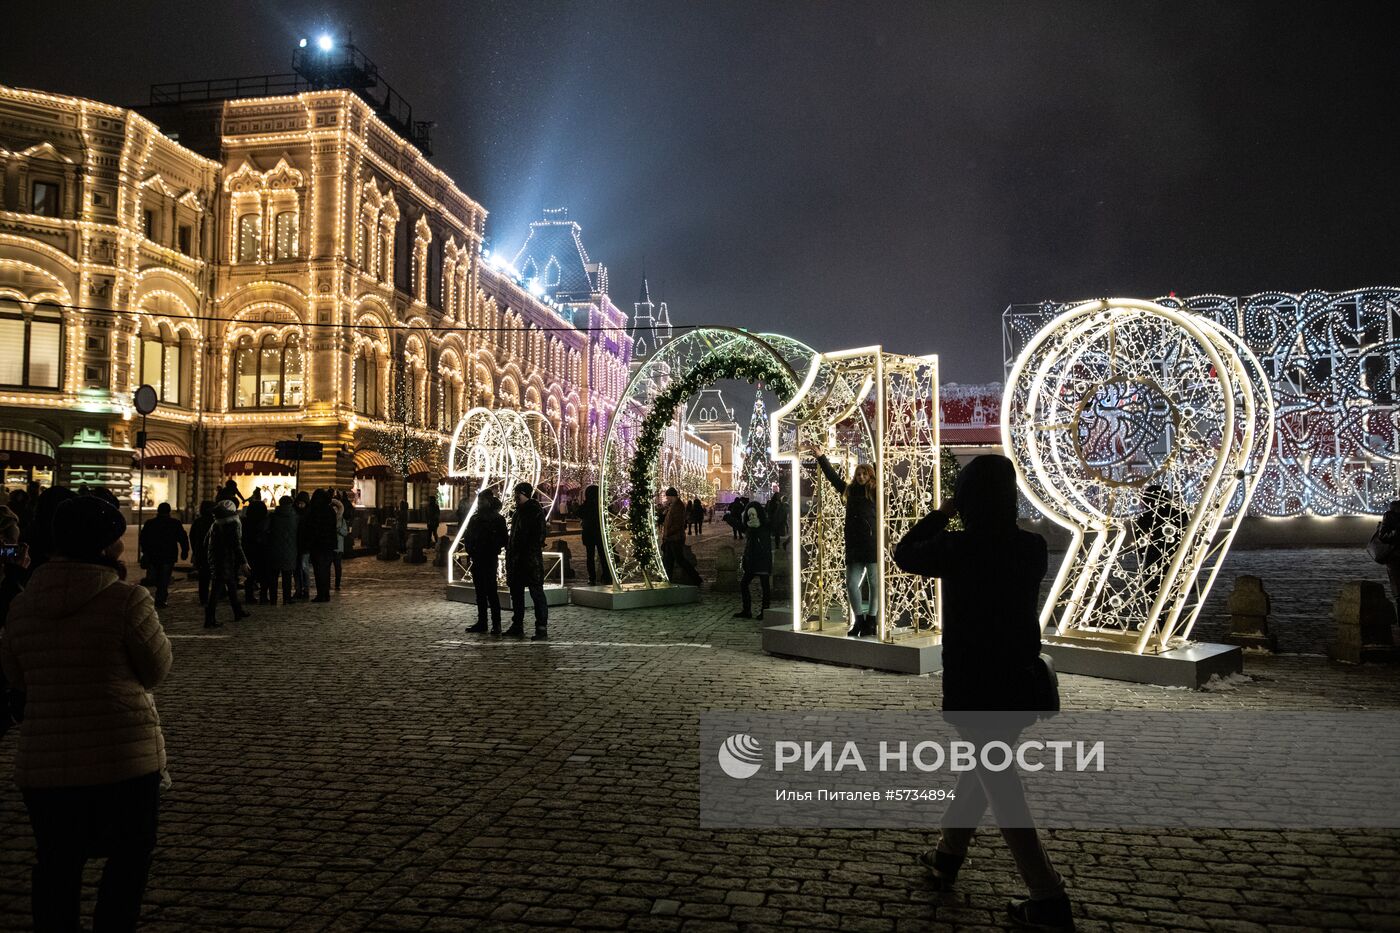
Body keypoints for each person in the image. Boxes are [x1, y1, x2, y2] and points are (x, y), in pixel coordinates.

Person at [893, 454, 1072, 931]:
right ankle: (947, 855)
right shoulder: (1031, 548)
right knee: (985, 771)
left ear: (969, 498)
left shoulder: (959, 548)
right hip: (1017, 681)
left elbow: (904, 552)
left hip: (975, 683)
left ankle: (1047, 895)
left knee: (1001, 786)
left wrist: (944, 511)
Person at [0, 495, 172, 932]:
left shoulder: (21, 605)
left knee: (56, 865)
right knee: (128, 864)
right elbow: (156, 669)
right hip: (123, 758)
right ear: (106, 545)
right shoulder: (127, 600)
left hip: (45, 763)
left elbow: (15, 677)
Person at [809, 445, 880, 637]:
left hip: (872, 543)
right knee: (850, 583)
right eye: (859, 474)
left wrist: (877, 456)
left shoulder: (876, 491)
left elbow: (883, 475)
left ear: (871, 475)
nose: (861, 477)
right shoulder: (849, 490)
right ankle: (859, 620)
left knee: (875, 583)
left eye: (865, 474)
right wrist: (821, 457)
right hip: (855, 545)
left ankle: (872, 620)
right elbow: (832, 478)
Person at [505, 482, 549, 640]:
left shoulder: (534, 511)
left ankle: (541, 627)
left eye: (518, 494)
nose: (516, 497)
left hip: (530, 561)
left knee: (536, 593)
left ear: (526, 494)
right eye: (515, 494)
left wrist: (525, 547)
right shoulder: (518, 512)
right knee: (516, 594)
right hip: (517, 560)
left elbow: (539, 536)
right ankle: (517, 625)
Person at [464, 491, 509, 634]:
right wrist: (471, 550)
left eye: (482, 501)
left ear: (489, 502)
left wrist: (492, 546)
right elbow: (468, 536)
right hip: (477, 558)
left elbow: (504, 539)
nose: (479, 504)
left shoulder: (497, 519)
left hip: (489, 558)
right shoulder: (475, 519)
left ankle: (496, 624)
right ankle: (482, 622)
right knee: (480, 592)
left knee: (491, 591)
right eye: (478, 502)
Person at [205, 500, 250, 628]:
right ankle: (209, 619)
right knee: (216, 591)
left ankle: (238, 611)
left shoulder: (216, 523)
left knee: (231, 587)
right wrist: (244, 562)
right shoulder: (231, 523)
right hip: (224, 560)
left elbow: (205, 542)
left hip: (218, 559)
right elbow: (236, 545)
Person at [137, 503, 189, 609]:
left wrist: (145, 551)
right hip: (168, 556)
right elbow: (182, 538)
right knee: (164, 578)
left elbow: (143, 539)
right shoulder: (174, 523)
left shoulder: (150, 523)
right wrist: (185, 551)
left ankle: (156, 598)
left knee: (156, 577)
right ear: (169, 511)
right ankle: (161, 599)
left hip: (154, 555)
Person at [734, 495, 773, 620]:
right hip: (752, 561)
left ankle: (765, 611)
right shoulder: (750, 528)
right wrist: (730, 519)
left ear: (758, 514)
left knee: (765, 586)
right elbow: (742, 528)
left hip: (762, 560)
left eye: (753, 515)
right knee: (744, 584)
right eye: (749, 515)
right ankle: (747, 610)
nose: (751, 518)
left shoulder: (764, 527)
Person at [264, 496, 299, 605]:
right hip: (290, 550)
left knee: (273, 576)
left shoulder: (273, 516)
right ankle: (287, 598)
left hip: (274, 549)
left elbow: (264, 529)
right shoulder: (295, 517)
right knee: (287, 576)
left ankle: (273, 599)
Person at [661, 487, 698, 584]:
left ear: (672, 496)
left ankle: (696, 578)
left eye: (667, 497)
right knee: (668, 560)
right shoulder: (673, 506)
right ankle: (667, 579)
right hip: (671, 538)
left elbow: (677, 524)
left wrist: (668, 533)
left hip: (675, 538)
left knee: (680, 560)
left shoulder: (678, 506)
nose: (667, 499)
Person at [241, 490, 270, 604]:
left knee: (250, 576)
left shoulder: (245, 522)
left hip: (249, 551)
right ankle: (263, 597)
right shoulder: (265, 521)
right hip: (263, 551)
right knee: (264, 576)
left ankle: (249, 597)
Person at [188, 500, 216, 605]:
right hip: (213, 553)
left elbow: (192, 537)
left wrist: (195, 550)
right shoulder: (215, 521)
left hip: (201, 553)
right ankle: (214, 598)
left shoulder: (198, 522)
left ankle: (203, 599)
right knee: (215, 577)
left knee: (203, 577)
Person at [580, 484, 608, 586]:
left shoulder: (586, 505)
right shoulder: (601, 505)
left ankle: (592, 578)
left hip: (589, 534)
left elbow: (578, 512)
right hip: (600, 533)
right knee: (603, 556)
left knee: (590, 557)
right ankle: (606, 576)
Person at [293, 491, 311, 599]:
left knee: (304, 568)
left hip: (305, 545)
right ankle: (298, 589)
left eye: (302, 503)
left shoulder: (308, 514)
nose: (300, 505)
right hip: (295, 545)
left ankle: (306, 589)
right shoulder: (294, 513)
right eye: (298, 503)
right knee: (296, 568)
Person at [329, 497, 348, 591]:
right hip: (329, 546)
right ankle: (327, 584)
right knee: (327, 567)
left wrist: (339, 530)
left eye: (336, 509)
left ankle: (337, 584)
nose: (334, 510)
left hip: (338, 547)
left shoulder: (341, 520)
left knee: (337, 567)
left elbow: (345, 532)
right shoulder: (327, 519)